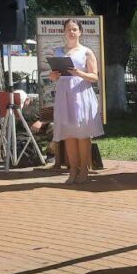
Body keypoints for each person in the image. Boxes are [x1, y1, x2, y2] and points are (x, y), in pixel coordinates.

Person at [50, 18, 103, 184]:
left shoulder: (86, 52)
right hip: (64, 95)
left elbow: (94, 77)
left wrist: (79, 73)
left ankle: (84, 170)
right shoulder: (58, 52)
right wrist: (53, 76)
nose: (71, 32)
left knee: (82, 134)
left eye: (74, 29)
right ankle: (72, 169)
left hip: (80, 94)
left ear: (80, 32)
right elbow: (54, 76)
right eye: (68, 29)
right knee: (69, 134)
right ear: (63, 32)